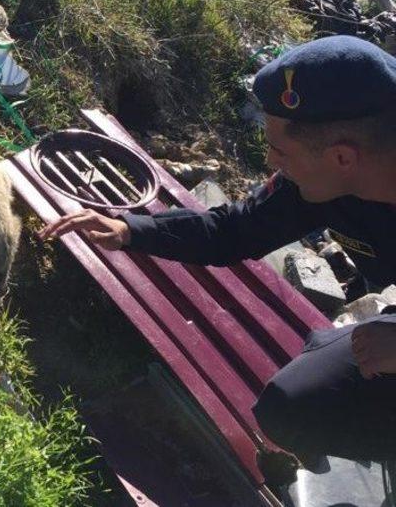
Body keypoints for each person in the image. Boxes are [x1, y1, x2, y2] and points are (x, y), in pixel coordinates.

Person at [39, 35, 396, 467]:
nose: (270, 162)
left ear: (342, 158)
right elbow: (234, 230)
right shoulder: (323, 183)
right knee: (290, 410)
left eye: (280, 150)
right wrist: (130, 229)